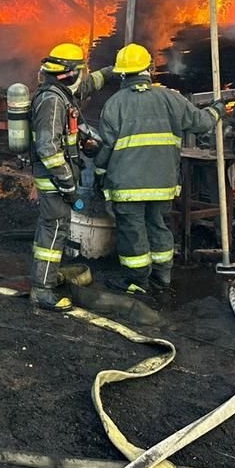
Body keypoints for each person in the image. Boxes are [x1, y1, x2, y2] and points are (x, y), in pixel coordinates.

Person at [94, 43, 226, 294]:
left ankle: (137, 281)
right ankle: (163, 276)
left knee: (132, 231)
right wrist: (217, 110)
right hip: (163, 183)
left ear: (122, 74)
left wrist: (99, 175)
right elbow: (202, 122)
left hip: (127, 186)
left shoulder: (114, 104)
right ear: (150, 69)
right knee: (158, 226)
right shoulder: (170, 98)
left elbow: (105, 148)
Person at [30, 43, 112, 311]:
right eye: (80, 71)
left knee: (53, 228)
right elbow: (48, 147)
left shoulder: (60, 93)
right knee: (54, 230)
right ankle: (42, 290)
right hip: (54, 180)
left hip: (56, 179)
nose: (82, 76)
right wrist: (67, 183)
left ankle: (46, 278)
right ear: (69, 73)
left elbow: (86, 86)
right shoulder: (53, 101)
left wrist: (111, 72)